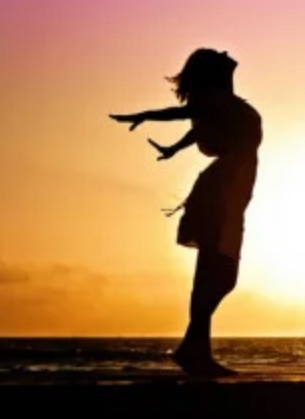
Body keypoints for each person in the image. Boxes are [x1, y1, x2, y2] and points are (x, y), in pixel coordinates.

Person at [110, 48, 262, 377]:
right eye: (218, 55)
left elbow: (198, 127)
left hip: (229, 192)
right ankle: (195, 351)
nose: (226, 52)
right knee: (216, 273)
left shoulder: (223, 104)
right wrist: (146, 115)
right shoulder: (216, 100)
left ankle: (193, 349)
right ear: (212, 72)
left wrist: (174, 148)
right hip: (220, 194)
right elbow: (182, 114)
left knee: (218, 275)